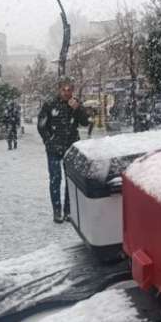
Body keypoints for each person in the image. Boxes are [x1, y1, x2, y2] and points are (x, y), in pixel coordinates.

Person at [38, 77, 90, 223]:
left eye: (69, 89)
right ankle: (57, 211)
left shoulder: (75, 103)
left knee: (70, 180)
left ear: (72, 90)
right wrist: (49, 141)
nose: (66, 92)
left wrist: (78, 109)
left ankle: (68, 211)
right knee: (55, 179)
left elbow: (85, 122)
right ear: (59, 89)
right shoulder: (49, 104)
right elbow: (41, 125)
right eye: (64, 89)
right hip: (54, 149)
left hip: (71, 148)